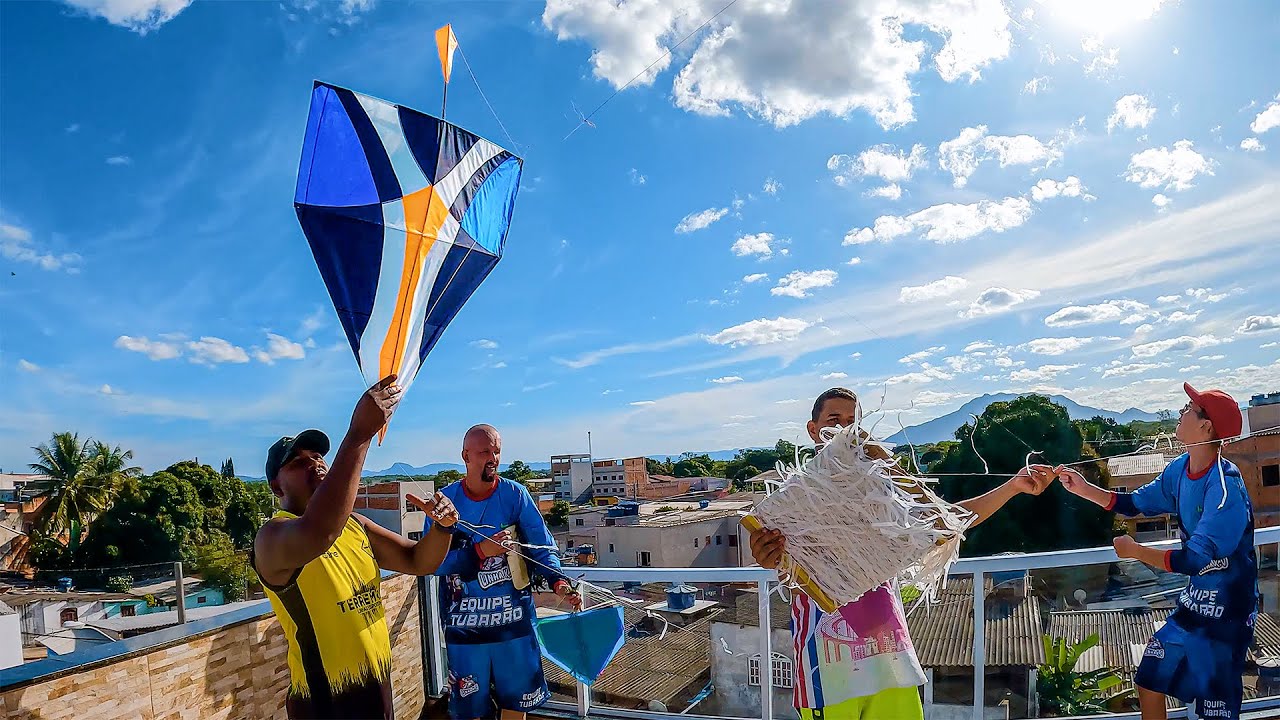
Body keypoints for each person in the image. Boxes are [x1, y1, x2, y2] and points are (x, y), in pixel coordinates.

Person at [748, 387, 1054, 720]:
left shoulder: (883, 495)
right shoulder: (790, 506)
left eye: (852, 422)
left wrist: (1012, 486)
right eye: (833, 421)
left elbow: (944, 524)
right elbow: (795, 584)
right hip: (827, 667)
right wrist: (770, 560)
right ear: (812, 430)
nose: (843, 431)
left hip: (890, 660)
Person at [252, 376, 462, 720]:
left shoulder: (355, 526)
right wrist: (359, 434)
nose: (315, 464)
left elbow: (417, 560)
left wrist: (442, 527)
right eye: (298, 462)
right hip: (324, 704)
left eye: (319, 456)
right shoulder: (271, 538)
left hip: (375, 693)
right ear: (276, 485)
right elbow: (318, 534)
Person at [1052, 383, 1257, 720]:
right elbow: (1134, 504)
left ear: (1206, 426)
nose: (1181, 412)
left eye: (1189, 408)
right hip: (1192, 608)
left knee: (1215, 712)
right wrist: (1084, 488)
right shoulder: (1180, 469)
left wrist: (1135, 551)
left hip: (1227, 619)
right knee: (1149, 680)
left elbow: (1191, 560)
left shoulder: (1224, 490)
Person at [426, 423, 582, 720]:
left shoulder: (516, 495)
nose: (492, 458)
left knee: (516, 705)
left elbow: (542, 548)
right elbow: (431, 563)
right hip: (465, 630)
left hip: (514, 626)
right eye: (484, 451)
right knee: (470, 711)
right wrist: (481, 551)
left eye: (496, 451)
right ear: (466, 456)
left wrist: (559, 581)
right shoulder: (445, 503)